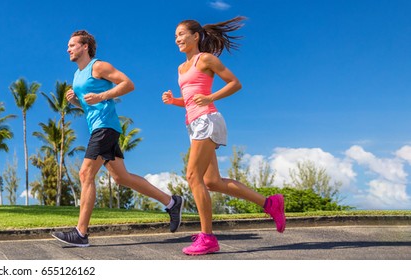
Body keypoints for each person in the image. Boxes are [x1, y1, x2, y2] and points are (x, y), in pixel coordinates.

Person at [161, 16, 286, 255]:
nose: (177, 39)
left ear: (195, 36)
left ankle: (207, 237)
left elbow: (235, 83)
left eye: (181, 34)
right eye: (175, 35)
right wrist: (174, 101)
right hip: (194, 123)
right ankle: (270, 204)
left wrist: (211, 97)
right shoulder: (181, 68)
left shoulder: (205, 59)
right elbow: (190, 101)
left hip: (208, 121)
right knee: (211, 181)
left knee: (192, 176)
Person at [52, 30, 184, 247]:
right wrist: (76, 102)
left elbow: (128, 84)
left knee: (85, 174)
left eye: (72, 45)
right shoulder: (77, 75)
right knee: (122, 177)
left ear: (85, 46)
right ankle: (171, 202)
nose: (68, 49)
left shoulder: (98, 66)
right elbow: (89, 106)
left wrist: (102, 95)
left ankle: (81, 233)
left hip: (105, 127)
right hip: (98, 126)